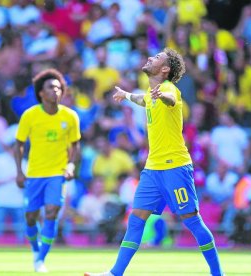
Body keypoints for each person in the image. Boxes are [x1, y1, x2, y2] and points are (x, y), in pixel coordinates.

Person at [85, 48, 223, 276]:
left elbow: (170, 100)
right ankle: (114, 273)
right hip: (152, 169)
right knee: (136, 220)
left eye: (157, 57)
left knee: (192, 221)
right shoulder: (151, 94)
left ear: (165, 69)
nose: (150, 57)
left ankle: (218, 273)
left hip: (175, 167)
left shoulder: (168, 89)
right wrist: (127, 95)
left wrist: (163, 96)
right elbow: (144, 100)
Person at [14, 68, 81, 273]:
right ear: (41, 93)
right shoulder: (30, 115)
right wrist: (19, 171)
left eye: (59, 88)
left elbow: (75, 145)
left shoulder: (70, 116)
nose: (56, 91)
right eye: (51, 88)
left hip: (56, 173)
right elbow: (18, 144)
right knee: (31, 217)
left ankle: (41, 259)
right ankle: (35, 250)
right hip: (34, 174)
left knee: (51, 212)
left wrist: (70, 166)